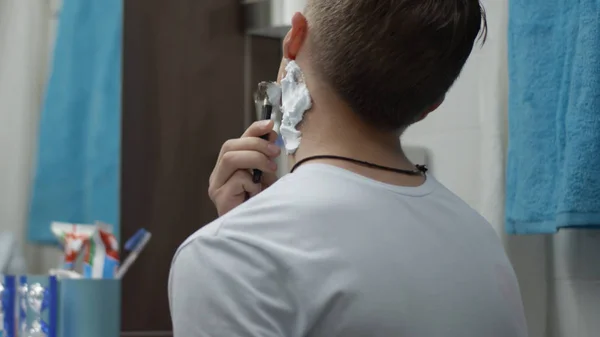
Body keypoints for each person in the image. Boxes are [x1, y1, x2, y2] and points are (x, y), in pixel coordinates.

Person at [169, 0, 528, 336]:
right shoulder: (483, 245)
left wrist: (242, 237)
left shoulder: (231, 255)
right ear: (431, 105)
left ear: (294, 39)